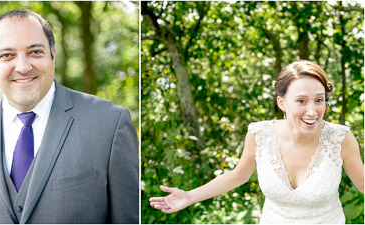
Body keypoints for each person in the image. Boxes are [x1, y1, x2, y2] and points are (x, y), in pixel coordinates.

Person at [0, 9, 139, 224]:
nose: (23, 67)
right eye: (7, 55)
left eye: (35, 52)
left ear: (53, 54)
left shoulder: (110, 123)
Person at [149, 60, 365, 223]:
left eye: (319, 100)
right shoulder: (259, 134)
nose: (312, 111)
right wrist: (189, 196)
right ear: (282, 102)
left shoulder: (340, 139)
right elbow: (237, 175)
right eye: (301, 101)